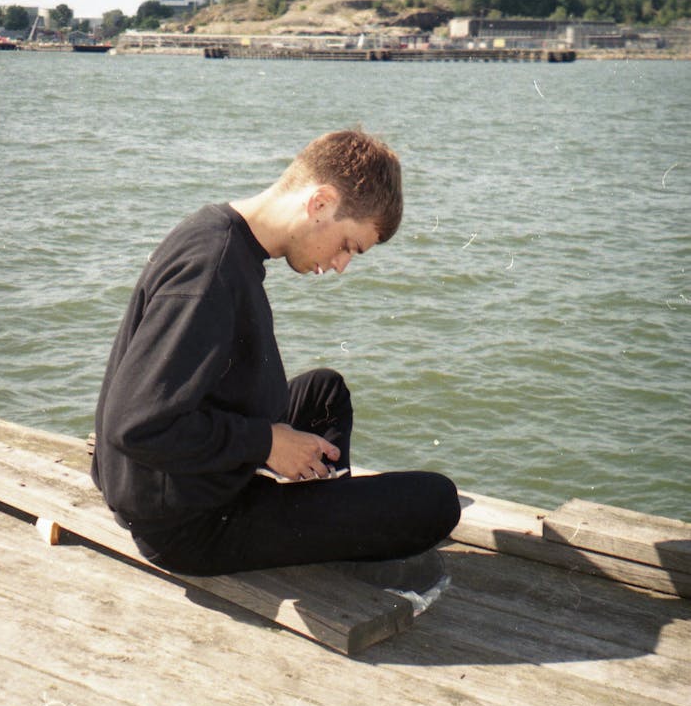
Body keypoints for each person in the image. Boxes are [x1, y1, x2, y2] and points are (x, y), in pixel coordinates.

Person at [91, 129, 460, 595]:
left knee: (324, 392)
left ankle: (316, 520)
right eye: (349, 245)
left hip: (192, 476)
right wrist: (266, 443)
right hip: (187, 523)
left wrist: (267, 441)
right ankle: (322, 530)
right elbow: (135, 424)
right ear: (320, 203)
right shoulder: (211, 271)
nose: (343, 265)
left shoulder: (220, 234)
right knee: (436, 502)